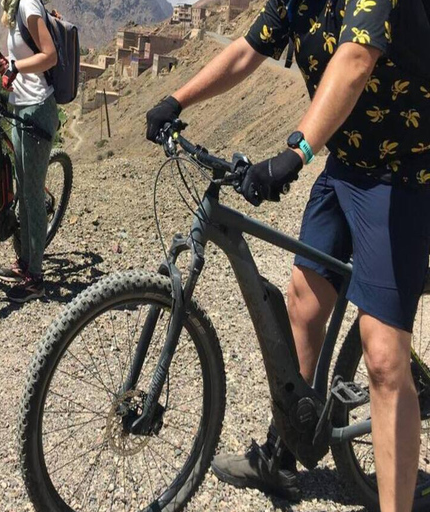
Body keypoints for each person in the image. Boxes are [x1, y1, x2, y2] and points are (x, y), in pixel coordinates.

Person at [145, 0, 430, 509]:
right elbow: (245, 50)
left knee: (384, 360)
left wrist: (294, 154)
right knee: (303, 304)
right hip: (346, 166)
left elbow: (356, 60)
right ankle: (282, 455)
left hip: (402, 176)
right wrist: (176, 99)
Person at [0, 0, 59, 303]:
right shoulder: (14, 7)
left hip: (37, 110)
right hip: (21, 107)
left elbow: (50, 56)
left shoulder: (29, 5)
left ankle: (36, 279)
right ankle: (24, 262)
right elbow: (23, 61)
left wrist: (16, 66)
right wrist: (8, 66)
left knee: (32, 195)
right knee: (24, 190)